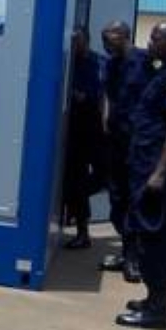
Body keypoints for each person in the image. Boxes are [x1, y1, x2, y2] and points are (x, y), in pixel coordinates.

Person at [115, 21, 166, 330]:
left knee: (158, 234)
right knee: (149, 231)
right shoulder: (163, 70)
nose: (149, 41)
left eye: (156, 37)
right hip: (147, 164)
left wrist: (160, 172)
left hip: (161, 169)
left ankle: (158, 309)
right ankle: (156, 299)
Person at [100, 21, 151, 282]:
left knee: (134, 200)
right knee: (117, 200)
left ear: (124, 36)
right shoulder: (110, 63)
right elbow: (108, 94)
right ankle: (127, 250)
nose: (106, 43)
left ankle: (133, 258)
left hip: (138, 143)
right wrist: (105, 118)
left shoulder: (146, 61)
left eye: (110, 38)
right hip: (115, 140)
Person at [62, 26, 105, 249]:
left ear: (86, 40)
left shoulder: (100, 62)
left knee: (103, 176)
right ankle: (82, 231)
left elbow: (104, 95)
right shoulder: (66, 62)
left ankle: (70, 197)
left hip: (95, 125)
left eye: (77, 40)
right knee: (75, 177)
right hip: (73, 127)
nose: (74, 44)